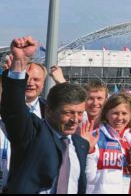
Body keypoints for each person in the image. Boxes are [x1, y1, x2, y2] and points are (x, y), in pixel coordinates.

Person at [1, 36, 89, 193]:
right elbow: (14, 110)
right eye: (68, 113)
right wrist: (20, 63)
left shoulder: (80, 144)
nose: (75, 119)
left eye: (80, 113)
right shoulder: (33, 133)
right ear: (48, 110)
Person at [80, 93, 131, 194]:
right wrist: (90, 152)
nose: (119, 118)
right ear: (106, 114)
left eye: (124, 113)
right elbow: (88, 178)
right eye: (115, 113)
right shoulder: (95, 137)